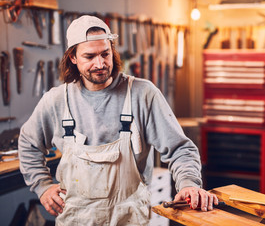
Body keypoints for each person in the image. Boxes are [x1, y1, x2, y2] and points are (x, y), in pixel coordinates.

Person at [18, 15, 218, 225]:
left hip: (129, 218)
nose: (100, 63)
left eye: (105, 54)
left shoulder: (142, 94)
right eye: (90, 56)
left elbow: (180, 149)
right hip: (76, 219)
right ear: (73, 58)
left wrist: (188, 183)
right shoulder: (57, 100)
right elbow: (28, 144)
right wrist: (42, 185)